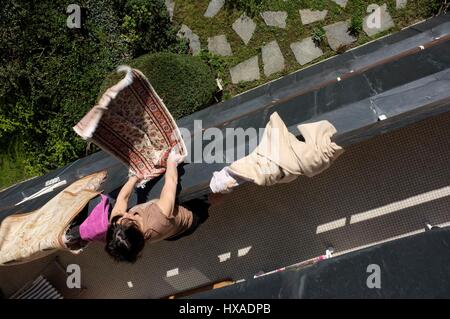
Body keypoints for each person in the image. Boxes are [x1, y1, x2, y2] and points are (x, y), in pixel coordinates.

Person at [104, 147, 209, 263]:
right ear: (138, 231)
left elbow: (122, 199)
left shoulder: (117, 224)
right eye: (126, 219)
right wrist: (171, 159)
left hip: (169, 220)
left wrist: (134, 178)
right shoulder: (158, 219)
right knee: (211, 194)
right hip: (190, 214)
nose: (124, 214)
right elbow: (171, 181)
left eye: (119, 219)